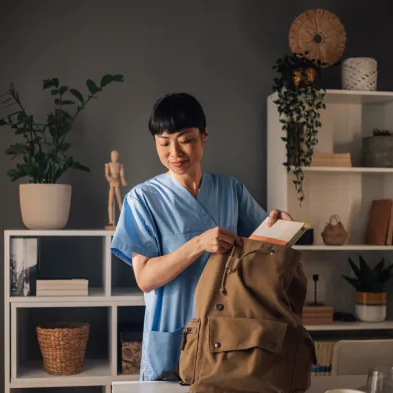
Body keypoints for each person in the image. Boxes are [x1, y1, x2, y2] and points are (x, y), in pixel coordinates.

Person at [110, 92, 294, 382]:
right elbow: (145, 278)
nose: (175, 152)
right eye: (164, 142)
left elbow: (261, 252)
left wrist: (280, 226)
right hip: (173, 336)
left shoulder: (230, 190)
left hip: (228, 334)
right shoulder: (142, 199)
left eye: (185, 139)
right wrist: (197, 244)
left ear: (204, 134)